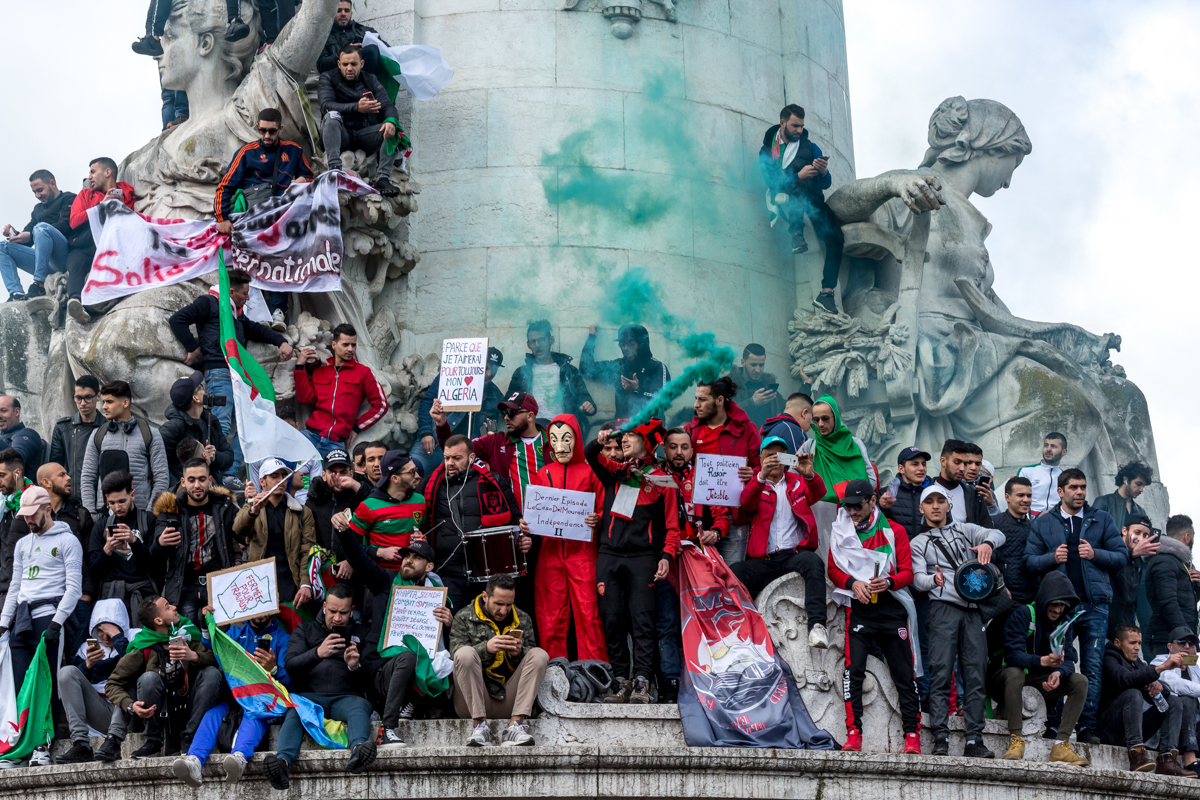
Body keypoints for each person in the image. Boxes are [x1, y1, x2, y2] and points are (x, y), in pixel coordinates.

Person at [1024, 468, 1126, 744]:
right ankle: (1054, 723)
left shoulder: (1102, 519)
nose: (1080, 492)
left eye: (1083, 487)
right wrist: (1050, 558)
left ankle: (1087, 726)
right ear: (1061, 491)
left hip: (1095, 604)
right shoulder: (1044, 523)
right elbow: (1029, 561)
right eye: (1074, 488)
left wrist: (1096, 554)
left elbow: (1121, 556)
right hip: (1060, 609)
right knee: (1058, 662)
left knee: (1092, 666)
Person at [168, 268, 293, 487]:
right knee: (221, 425)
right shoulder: (209, 302)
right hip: (219, 372)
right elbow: (178, 319)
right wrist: (192, 348)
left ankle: (229, 474)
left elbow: (253, 329)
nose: (248, 298)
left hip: (236, 374)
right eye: (245, 294)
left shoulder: (235, 311)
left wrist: (279, 341)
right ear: (232, 291)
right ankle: (213, 475)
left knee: (248, 424)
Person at [586, 423, 680, 705]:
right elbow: (592, 455)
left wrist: (666, 557)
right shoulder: (616, 471)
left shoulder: (663, 481)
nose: (624, 439)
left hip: (643, 559)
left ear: (648, 442)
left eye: (632, 435)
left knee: (643, 622)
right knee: (612, 620)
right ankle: (619, 681)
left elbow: (673, 528)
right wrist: (599, 438)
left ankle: (642, 681)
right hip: (609, 556)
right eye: (623, 435)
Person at [909, 484, 1005, 757]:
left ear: (949, 505)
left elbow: (998, 533)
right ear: (922, 508)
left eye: (941, 500)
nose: (936, 506)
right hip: (942, 609)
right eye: (930, 502)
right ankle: (941, 737)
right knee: (940, 673)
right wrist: (934, 580)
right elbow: (916, 579)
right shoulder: (919, 542)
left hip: (974, 610)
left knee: (975, 675)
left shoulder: (966, 529)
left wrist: (987, 544)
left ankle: (975, 739)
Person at [827, 478, 921, 755]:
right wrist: (851, 583)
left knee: (904, 674)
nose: (852, 512)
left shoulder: (895, 530)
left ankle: (912, 735)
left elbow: (907, 572)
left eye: (857, 506)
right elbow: (833, 568)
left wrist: (889, 582)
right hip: (860, 608)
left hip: (892, 609)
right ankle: (854, 734)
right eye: (848, 506)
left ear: (872, 501)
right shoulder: (841, 528)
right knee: (852, 672)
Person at [334, 532, 452, 746]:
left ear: (429, 567)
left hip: (411, 669)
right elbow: (357, 558)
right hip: (381, 669)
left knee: (445, 662)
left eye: (416, 558)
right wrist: (343, 532)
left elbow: (445, 642)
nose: (408, 560)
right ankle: (387, 729)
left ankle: (411, 701)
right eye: (406, 556)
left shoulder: (439, 597)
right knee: (408, 657)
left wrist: (449, 623)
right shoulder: (384, 581)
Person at [262, 584, 379, 790]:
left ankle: (359, 752)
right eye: (332, 611)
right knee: (295, 711)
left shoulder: (360, 632)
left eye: (343, 612)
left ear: (352, 611)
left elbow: (371, 677)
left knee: (360, 707)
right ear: (324, 606)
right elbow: (291, 666)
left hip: (346, 696)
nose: (337, 617)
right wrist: (318, 653)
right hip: (309, 696)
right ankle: (282, 764)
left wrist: (355, 666)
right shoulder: (305, 629)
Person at [0, 486, 83, 761]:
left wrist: (57, 623)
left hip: (50, 617)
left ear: (47, 509)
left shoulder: (69, 541)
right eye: (24, 516)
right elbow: (15, 586)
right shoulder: (24, 543)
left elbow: (73, 589)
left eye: (33, 515)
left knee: (47, 685)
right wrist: (3, 623)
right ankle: (19, 745)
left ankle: (42, 746)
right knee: (21, 685)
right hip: (22, 619)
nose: (28, 520)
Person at [213, 108, 313, 326]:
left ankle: (279, 312)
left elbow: (310, 175)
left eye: (271, 131)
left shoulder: (293, 151)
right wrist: (222, 218)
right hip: (252, 221)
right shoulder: (246, 153)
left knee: (280, 260)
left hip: (282, 221)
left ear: (280, 129)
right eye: (262, 131)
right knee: (252, 262)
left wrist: (302, 180)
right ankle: (256, 313)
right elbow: (224, 187)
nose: (266, 136)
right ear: (257, 128)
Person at [517, 415, 605, 663]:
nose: (560, 446)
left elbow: (603, 507)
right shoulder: (543, 473)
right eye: (554, 440)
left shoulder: (590, 472)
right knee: (550, 614)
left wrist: (596, 519)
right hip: (550, 552)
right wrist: (527, 524)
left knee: (589, 613)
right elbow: (535, 513)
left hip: (584, 553)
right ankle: (553, 670)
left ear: (576, 439)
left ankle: (594, 669)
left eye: (566, 439)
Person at [171, 612, 292, 787]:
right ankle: (194, 761)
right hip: (236, 699)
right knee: (214, 713)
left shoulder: (283, 638)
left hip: (266, 701)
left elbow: (291, 681)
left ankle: (239, 757)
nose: (260, 614)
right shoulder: (235, 634)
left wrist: (273, 669)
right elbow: (213, 644)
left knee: (255, 713)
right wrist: (207, 622)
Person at [731, 437, 828, 646]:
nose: (774, 460)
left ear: (787, 459)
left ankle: (818, 627)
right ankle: (744, 631)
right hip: (765, 559)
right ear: (760, 458)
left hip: (794, 554)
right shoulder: (756, 483)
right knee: (735, 573)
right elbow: (746, 504)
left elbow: (819, 493)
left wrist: (809, 474)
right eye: (769, 455)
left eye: (779, 455)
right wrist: (761, 476)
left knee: (814, 562)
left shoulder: (797, 481)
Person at [660, 427, 731, 701]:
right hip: (668, 560)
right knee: (667, 621)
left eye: (685, 447)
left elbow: (722, 515)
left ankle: (706, 680)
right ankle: (670, 683)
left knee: (703, 621)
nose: (679, 452)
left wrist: (717, 532)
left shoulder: (705, 474)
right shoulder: (655, 477)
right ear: (664, 450)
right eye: (673, 447)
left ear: (693, 450)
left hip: (699, 561)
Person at [989, 572, 1090, 765]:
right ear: (1044, 598)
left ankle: (1061, 744)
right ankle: (1016, 739)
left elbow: (1070, 659)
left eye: (1062, 605)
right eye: (1054, 603)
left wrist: (1058, 673)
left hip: (1040, 681)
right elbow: (1012, 655)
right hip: (1004, 680)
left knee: (1080, 681)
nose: (1058, 609)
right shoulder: (1023, 614)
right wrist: (1043, 661)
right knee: (1015, 673)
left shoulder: (1064, 623)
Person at [105, 595, 221, 759]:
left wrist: (194, 656)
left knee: (212, 674)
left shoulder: (185, 633)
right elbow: (112, 684)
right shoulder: (143, 645)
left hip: (190, 705)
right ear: (158, 621)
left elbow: (216, 660)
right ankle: (152, 741)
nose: (174, 607)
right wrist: (130, 705)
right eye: (167, 606)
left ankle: (191, 737)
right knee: (148, 679)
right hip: (163, 711)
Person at [420, 435, 524, 613]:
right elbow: (419, 519)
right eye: (447, 458)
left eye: (456, 458)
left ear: (471, 458)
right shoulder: (433, 484)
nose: (450, 463)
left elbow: (515, 522)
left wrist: (522, 539)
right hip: (448, 571)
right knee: (449, 625)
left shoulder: (495, 482)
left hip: (488, 573)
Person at [758, 104, 842, 312]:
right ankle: (796, 233)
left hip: (814, 199)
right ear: (783, 123)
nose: (799, 130)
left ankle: (827, 293)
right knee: (796, 192)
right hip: (786, 197)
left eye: (802, 126)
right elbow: (772, 182)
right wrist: (798, 176)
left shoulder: (811, 147)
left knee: (837, 238)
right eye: (795, 126)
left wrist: (823, 172)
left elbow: (826, 184)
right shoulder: (767, 151)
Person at [449, 573, 548, 746]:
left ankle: (516, 726)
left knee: (540, 655)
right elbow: (456, 658)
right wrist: (486, 648)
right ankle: (479, 726)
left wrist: (518, 653)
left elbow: (532, 664)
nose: (503, 610)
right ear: (485, 596)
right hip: (472, 702)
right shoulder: (463, 617)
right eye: (499, 604)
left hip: (511, 700)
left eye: (509, 605)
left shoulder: (523, 618)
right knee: (465, 653)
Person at [9, 462, 94, 659]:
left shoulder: (78, 513)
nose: (69, 478)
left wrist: (85, 595)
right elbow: (13, 567)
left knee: (73, 659)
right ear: (46, 482)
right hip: (31, 606)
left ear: (46, 511)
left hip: (75, 598)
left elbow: (88, 560)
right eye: (62, 475)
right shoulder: (23, 520)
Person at [150, 459, 240, 622]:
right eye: (191, 480)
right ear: (183, 482)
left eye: (202, 479)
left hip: (219, 584)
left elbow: (243, 534)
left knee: (220, 638)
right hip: (184, 586)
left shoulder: (225, 506)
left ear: (210, 480)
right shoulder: (170, 510)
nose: (197, 485)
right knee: (187, 636)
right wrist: (160, 543)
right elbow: (154, 555)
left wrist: (251, 509)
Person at [431, 391, 551, 513]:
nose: (506, 417)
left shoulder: (554, 443)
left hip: (548, 519)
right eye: (504, 413)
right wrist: (441, 423)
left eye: (511, 413)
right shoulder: (495, 442)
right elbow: (455, 450)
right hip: (511, 522)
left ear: (530, 416)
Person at [685, 377, 762, 564]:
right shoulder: (691, 430)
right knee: (702, 575)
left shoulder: (746, 429)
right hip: (699, 515)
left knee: (732, 575)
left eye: (702, 399)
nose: (696, 405)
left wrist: (753, 474)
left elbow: (760, 466)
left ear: (719, 401)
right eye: (696, 399)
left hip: (735, 516)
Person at [1098, 624, 1190, 775]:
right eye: (1132, 643)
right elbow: (1125, 679)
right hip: (1109, 729)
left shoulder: (1137, 663)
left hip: (1133, 728)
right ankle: (1137, 755)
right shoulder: (1109, 657)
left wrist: (1157, 685)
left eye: (1139, 643)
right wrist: (1162, 668)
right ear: (1117, 643)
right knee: (1133, 694)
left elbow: (1161, 690)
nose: (1137, 648)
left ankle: (1167, 760)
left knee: (1174, 702)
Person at [318, 45, 404, 196]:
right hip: (341, 134)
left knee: (392, 126)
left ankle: (382, 178)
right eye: (345, 64)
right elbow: (326, 105)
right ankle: (334, 172)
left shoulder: (370, 79)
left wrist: (390, 121)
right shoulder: (328, 77)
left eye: (354, 64)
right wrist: (357, 107)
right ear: (339, 64)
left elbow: (388, 106)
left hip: (364, 134)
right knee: (331, 116)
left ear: (362, 64)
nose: (349, 68)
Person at [54, 599, 132, 764]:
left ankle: (114, 741)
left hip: (130, 712)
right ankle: (81, 743)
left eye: (109, 630)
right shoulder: (86, 648)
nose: (105, 636)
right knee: (66, 672)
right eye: (100, 631)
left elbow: (136, 668)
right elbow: (70, 684)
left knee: (128, 678)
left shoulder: (135, 638)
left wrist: (118, 639)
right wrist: (88, 665)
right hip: (103, 713)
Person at [294, 323, 388, 458]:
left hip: (335, 443)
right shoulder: (320, 372)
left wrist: (357, 428)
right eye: (345, 345)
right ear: (334, 345)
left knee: (333, 478)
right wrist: (299, 366)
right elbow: (305, 398)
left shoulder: (363, 373)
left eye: (353, 345)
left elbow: (382, 404)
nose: (350, 349)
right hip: (310, 435)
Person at [236, 458, 319, 607]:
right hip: (259, 587)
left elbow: (307, 550)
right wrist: (253, 510)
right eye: (274, 476)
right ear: (262, 481)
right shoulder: (250, 507)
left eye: (284, 475)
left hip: (291, 585)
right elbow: (238, 530)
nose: (281, 480)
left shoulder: (302, 512)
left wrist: (305, 584)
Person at [79, 381, 170, 513]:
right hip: (105, 515)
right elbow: (87, 477)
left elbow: (161, 477)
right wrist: (91, 513)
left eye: (109, 402)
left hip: (141, 513)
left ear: (125, 403)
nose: (104, 407)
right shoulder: (98, 435)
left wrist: (150, 512)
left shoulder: (150, 434)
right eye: (103, 402)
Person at [64, 158, 137, 323]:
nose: (89, 176)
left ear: (107, 172)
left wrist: (120, 206)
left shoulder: (127, 194)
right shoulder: (85, 194)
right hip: (86, 242)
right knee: (75, 261)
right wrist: (101, 206)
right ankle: (75, 301)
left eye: (92, 171)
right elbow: (74, 221)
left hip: (113, 243)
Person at [415, 346, 505, 473]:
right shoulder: (449, 378)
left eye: (494, 369)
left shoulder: (496, 395)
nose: (489, 374)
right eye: (486, 367)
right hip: (434, 441)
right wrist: (425, 432)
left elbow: (491, 427)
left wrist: (488, 434)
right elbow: (426, 402)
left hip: (464, 452)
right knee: (412, 468)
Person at [88, 471, 158, 621]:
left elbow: (156, 566)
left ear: (132, 495)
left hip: (143, 594)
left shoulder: (149, 520)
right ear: (106, 499)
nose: (117, 507)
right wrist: (107, 550)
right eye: (112, 503)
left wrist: (134, 542)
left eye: (122, 501)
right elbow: (93, 572)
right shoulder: (101, 526)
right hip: (111, 595)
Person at [0, 170, 75, 303]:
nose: (37, 195)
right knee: (2, 247)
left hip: (64, 256)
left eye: (40, 190)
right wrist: (15, 234)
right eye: (34, 192)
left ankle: (39, 284)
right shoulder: (38, 209)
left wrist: (35, 232)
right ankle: (16, 293)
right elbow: (28, 237)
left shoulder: (69, 199)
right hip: (45, 261)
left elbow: (66, 225)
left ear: (52, 183)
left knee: (41, 228)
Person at [506, 320, 597, 429]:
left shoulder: (568, 371)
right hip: (531, 433)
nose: (537, 345)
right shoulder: (521, 374)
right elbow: (507, 405)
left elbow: (584, 397)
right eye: (533, 341)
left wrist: (588, 405)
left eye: (541, 340)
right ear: (528, 345)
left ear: (551, 340)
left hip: (562, 432)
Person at [347, 451, 425, 574]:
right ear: (395, 478)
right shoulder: (368, 506)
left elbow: (426, 535)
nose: (417, 476)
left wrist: (423, 541)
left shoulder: (420, 501)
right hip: (380, 578)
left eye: (415, 470)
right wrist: (379, 552)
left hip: (413, 576)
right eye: (411, 472)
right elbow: (350, 547)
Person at [580, 324, 670, 420]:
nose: (626, 348)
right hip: (623, 430)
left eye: (631, 344)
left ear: (642, 344)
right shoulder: (619, 366)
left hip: (650, 431)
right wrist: (592, 337)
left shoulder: (657, 367)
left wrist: (638, 389)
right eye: (622, 344)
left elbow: (663, 402)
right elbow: (586, 368)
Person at [160, 371, 234, 483]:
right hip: (184, 494)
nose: (203, 389)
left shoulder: (211, 420)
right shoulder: (172, 429)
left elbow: (229, 457)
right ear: (196, 398)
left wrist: (215, 457)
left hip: (211, 491)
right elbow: (159, 465)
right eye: (200, 387)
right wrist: (178, 488)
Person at [305, 447, 369, 577]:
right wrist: (317, 551)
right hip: (324, 571)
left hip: (358, 572)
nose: (338, 477)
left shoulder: (361, 499)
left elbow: (372, 533)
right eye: (333, 472)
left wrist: (352, 561)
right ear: (324, 475)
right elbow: (307, 535)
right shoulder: (313, 501)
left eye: (343, 472)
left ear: (351, 474)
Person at [1143, 514, 1200, 657]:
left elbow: (1185, 601)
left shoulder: (1179, 563)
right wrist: (1187, 637)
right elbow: (1168, 602)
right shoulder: (1165, 561)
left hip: (1179, 639)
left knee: (1185, 679)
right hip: (1168, 640)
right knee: (1169, 679)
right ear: (1187, 537)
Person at [1151, 627, 1200, 777]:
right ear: (1170, 646)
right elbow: (1175, 685)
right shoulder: (1160, 662)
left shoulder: (1195, 669)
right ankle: (1190, 759)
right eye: (1181, 642)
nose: (1187, 646)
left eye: (1191, 643)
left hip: (1192, 728)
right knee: (1187, 698)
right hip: (1166, 726)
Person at [49, 376, 104, 503]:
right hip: (69, 501)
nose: (83, 403)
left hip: (101, 501)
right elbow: (55, 466)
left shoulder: (108, 427)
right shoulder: (63, 428)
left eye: (88, 397)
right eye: (79, 398)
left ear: (98, 396)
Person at [1109, 514, 1158, 638]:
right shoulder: (1110, 548)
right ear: (1124, 530)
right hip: (1105, 627)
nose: (1140, 539)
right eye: (1137, 532)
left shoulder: (1139, 562)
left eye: (1146, 535)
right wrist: (1132, 553)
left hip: (1124, 631)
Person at [991, 476, 1037, 605]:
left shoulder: (1035, 527)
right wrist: (1000, 586)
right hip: (1005, 597)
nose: (1026, 500)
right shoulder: (994, 524)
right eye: (1020, 495)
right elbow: (986, 561)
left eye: (1029, 496)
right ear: (1007, 497)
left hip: (1032, 597)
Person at [930, 439, 991, 526]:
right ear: (943, 461)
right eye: (957, 462)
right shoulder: (925, 491)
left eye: (966, 464)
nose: (962, 468)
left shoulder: (974, 496)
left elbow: (987, 530)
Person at [877, 446, 931, 537]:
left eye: (924, 464)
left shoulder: (934, 493)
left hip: (928, 550)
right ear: (901, 469)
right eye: (915, 464)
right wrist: (881, 507)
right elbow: (873, 526)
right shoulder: (885, 494)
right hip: (898, 550)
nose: (921, 468)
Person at [317, 0, 383, 74]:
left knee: (372, 49)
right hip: (339, 79)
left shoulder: (366, 32)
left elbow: (388, 51)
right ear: (332, 13)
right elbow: (321, 66)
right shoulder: (324, 37)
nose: (343, 14)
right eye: (338, 11)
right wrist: (343, 53)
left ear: (351, 13)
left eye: (346, 10)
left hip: (367, 78)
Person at [727, 344, 783, 429]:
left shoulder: (767, 383)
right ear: (743, 362)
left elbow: (789, 407)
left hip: (768, 439)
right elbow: (726, 414)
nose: (758, 370)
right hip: (744, 439)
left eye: (761, 365)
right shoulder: (731, 384)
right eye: (753, 365)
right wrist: (752, 403)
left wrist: (806, 384)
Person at [1092, 461, 1153, 534]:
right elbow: (1093, 534)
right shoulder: (1103, 502)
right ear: (1125, 480)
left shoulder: (1141, 512)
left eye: (1143, 486)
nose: (1141, 489)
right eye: (1138, 484)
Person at [1016, 433, 1067, 515]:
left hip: (1056, 521)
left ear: (1064, 452)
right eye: (1046, 445)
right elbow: (1017, 500)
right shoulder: (1026, 471)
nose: (1048, 449)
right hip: (1030, 521)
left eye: (1053, 446)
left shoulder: (1065, 477)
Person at [0, 395, 44, 477]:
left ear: (17, 412)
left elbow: (18, 459)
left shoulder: (27, 434)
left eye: (3, 411)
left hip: (23, 489)